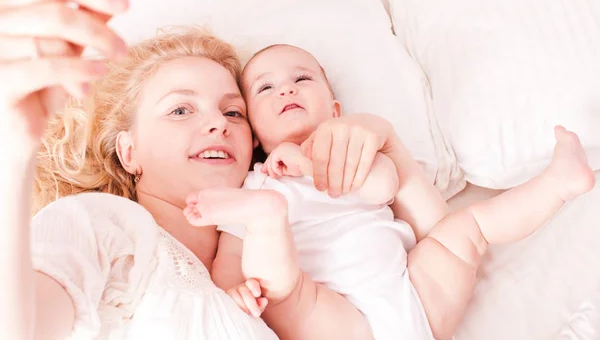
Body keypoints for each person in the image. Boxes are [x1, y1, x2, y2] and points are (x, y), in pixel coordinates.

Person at [0, 0, 407, 339]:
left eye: (234, 112)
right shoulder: (103, 225)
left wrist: (384, 137)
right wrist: (14, 151)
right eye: (180, 110)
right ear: (129, 150)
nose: (219, 124)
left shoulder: (284, 262)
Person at [184, 44, 596, 340]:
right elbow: (233, 256)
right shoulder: (256, 185)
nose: (286, 90)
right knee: (283, 294)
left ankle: (558, 184)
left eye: (301, 78)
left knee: (467, 228)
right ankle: (268, 222)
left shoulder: (354, 153)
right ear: (254, 129)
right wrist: (231, 290)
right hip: (337, 314)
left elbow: (384, 184)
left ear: (335, 110)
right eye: (265, 88)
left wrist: (312, 165)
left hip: (413, 297)